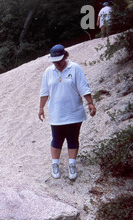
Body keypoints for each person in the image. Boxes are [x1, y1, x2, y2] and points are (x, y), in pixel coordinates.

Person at [39, 44, 96, 180]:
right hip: (56, 112)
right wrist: (41, 108)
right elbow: (44, 91)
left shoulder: (75, 68)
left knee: (72, 139)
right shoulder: (48, 71)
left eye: (59, 60)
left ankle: (72, 165)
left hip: (73, 112)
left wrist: (90, 103)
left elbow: (83, 87)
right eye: (55, 61)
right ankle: (55, 164)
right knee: (57, 139)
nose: (57, 64)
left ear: (65, 56)